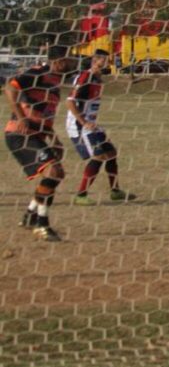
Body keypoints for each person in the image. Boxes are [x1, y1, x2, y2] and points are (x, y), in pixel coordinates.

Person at [4, 45, 76, 241]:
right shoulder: (39, 73)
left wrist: (54, 138)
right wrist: (20, 117)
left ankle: (30, 215)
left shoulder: (54, 83)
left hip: (37, 134)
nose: (73, 63)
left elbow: (43, 115)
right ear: (59, 61)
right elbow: (10, 87)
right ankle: (41, 224)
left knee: (55, 174)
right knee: (54, 172)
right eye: (70, 59)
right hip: (20, 134)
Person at [66, 50, 136, 205]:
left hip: (91, 124)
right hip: (79, 125)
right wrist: (83, 122)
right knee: (99, 156)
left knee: (111, 153)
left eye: (107, 59)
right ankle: (81, 195)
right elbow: (70, 101)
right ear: (94, 59)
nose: (106, 62)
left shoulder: (98, 78)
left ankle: (115, 191)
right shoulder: (86, 77)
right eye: (102, 59)